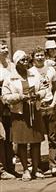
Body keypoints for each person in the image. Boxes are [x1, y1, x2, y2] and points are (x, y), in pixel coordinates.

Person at [2, 50, 46, 181]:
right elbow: (5, 97)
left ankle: (36, 169)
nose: (25, 62)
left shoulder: (34, 74)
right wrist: (20, 97)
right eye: (22, 60)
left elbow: (44, 88)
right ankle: (26, 169)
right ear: (16, 63)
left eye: (26, 59)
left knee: (36, 141)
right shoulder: (10, 78)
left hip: (34, 110)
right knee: (22, 142)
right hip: (19, 113)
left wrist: (38, 95)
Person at [29, 47, 56, 176]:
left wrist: (54, 103)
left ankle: (54, 165)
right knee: (37, 138)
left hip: (50, 105)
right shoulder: (30, 72)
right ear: (33, 57)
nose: (40, 57)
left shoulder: (51, 70)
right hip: (38, 107)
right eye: (37, 55)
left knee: (53, 137)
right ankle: (39, 167)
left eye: (42, 55)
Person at [0, 41, 18, 178]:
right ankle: (2, 169)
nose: (6, 50)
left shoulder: (12, 65)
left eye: (6, 47)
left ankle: (10, 167)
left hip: (10, 105)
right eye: (2, 48)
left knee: (10, 136)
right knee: (1, 136)